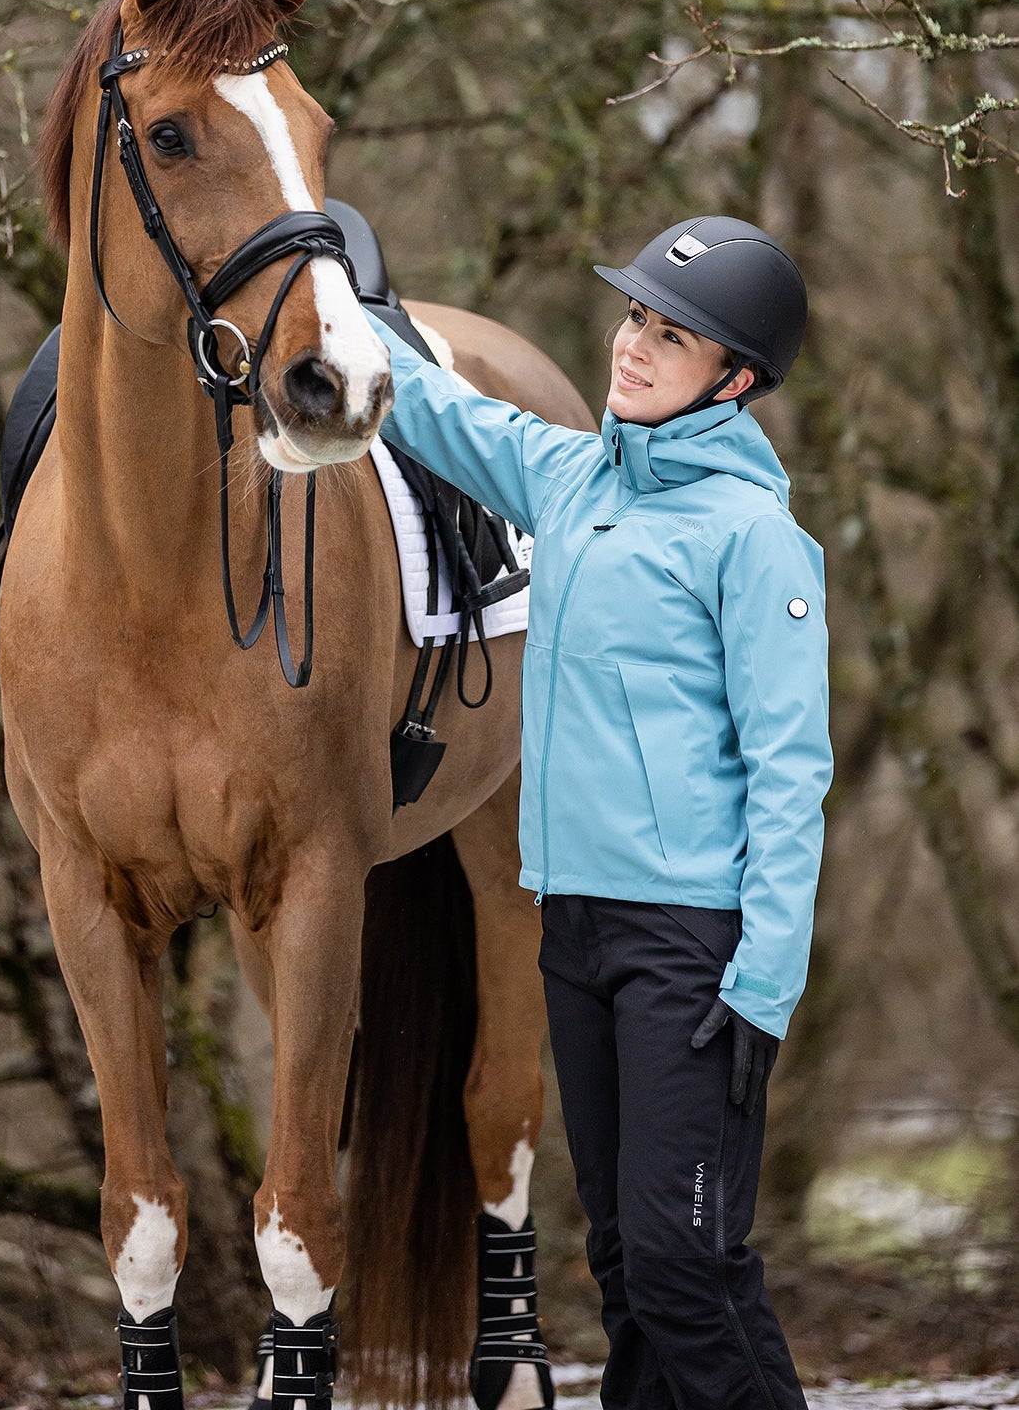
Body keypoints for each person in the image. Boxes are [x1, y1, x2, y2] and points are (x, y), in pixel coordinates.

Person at [366, 215, 831, 1410]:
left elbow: (792, 774)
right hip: (575, 933)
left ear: (734, 378)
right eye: (635, 316)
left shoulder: (755, 539)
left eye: (671, 335)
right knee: (627, 1264)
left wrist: (762, 982)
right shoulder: (573, 480)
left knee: (688, 1266)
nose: (632, 345)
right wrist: (352, 298)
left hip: (697, 955)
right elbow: (441, 413)